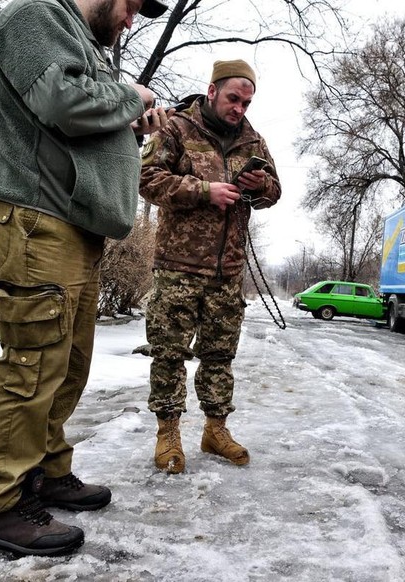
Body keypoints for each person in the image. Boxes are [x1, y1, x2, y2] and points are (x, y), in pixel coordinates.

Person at [0, 0, 171, 557]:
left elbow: (84, 128)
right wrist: (134, 96)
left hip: (75, 226)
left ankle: (46, 472)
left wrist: (128, 125)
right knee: (32, 366)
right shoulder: (34, 16)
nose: (131, 20)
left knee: (68, 365)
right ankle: (0, 507)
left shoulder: (80, 40)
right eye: (134, 6)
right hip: (37, 219)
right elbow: (62, 103)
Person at [139, 59, 281, 474]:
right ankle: (168, 433)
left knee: (220, 355)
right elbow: (147, 179)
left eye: (247, 102)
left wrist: (261, 186)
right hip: (178, 266)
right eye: (234, 98)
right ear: (213, 90)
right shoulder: (177, 127)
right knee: (169, 354)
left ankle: (215, 430)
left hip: (227, 270)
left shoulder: (252, 140)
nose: (240, 108)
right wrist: (204, 191)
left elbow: (275, 192)